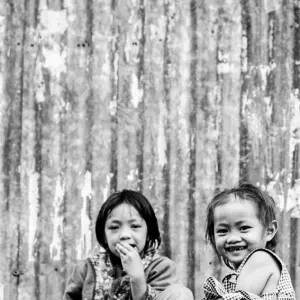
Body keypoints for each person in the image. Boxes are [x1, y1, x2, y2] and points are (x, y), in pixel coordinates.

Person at [64, 189, 193, 300]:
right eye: (114, 227)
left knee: (181, 293)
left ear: (148, 233)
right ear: (104, 235)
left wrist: (137, 278)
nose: (124, 235)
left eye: (135, 226)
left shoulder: (161, 268)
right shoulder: (85, 270)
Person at [202, 182, 295, 300]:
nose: (232, 238)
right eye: (223, 230)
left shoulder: (260, 259)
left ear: (269, 231)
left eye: (244, 228)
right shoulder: (244, 271)